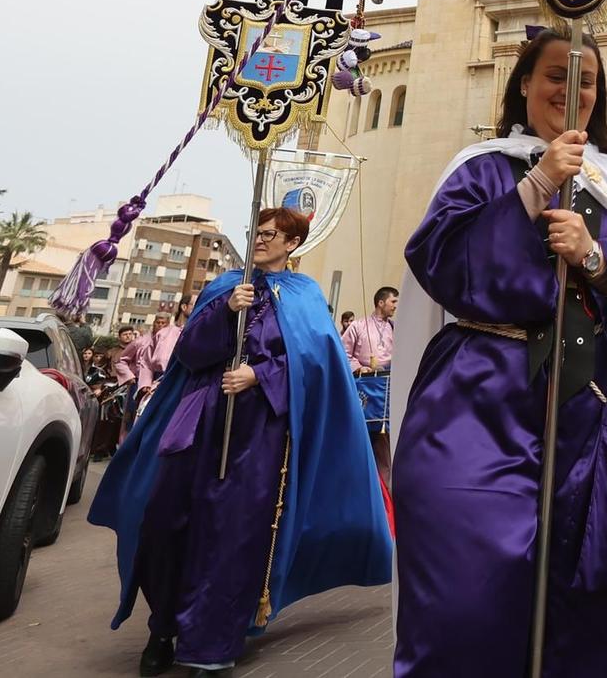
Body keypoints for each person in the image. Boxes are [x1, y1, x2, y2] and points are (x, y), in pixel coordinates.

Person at [388, 29, 607, 677]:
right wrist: (537, 183)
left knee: (605, 611)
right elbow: (444, 260)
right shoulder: (481, 167)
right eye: (556, 74)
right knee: (466, 602)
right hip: (477, 407)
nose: (570, 90)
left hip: (595, 417)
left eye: (585, 80)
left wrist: (594, 255)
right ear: (523, 82)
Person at [90, 206, 390, 677]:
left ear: (292, 243)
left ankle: (209, 646)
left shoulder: (306, 295)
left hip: (260, 433)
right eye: (258, 232)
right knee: (166, 523)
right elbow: (189, 353)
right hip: (199, 421)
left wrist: (260, 372)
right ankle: (163, 628)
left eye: (272, 234)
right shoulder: (225, 286)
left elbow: (316, 366)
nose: (261, 239)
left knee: (231, 535)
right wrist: (225, 312)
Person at [341, 285, 397, 485]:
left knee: (384, 444)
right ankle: (351, 483)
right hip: (363, 388)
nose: (395, 306)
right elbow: (343, 352)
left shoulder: (394, 327)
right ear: (381, 302)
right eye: (393, 301)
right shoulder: (357, 325)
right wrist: (358, 368)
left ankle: (382, 493)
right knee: (357, 437)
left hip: (386, 389)